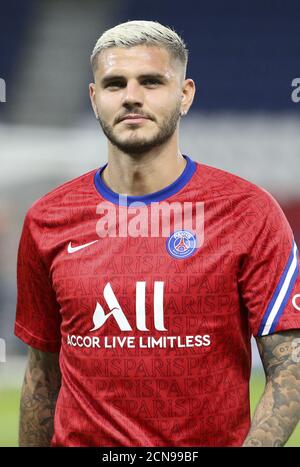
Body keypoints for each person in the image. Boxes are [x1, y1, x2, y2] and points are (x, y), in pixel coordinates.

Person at [15, 20, 300, 447]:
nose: (132, 97)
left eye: (151, 82)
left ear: (184, 95)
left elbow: (290, 364)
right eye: (114, 84)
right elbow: (41, 373)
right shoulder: (47, 219)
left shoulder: (248, 212)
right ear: (95, 99)